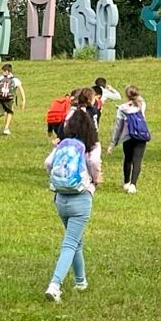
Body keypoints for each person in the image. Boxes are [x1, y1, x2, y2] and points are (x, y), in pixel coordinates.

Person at [43, 111, 102, 303]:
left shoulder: (63, 144)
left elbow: (48, 163)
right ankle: (55, 284)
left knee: (75, 240)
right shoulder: (91, 146)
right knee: (70, 243)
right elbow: (93, 162)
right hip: (80, 198)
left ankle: (81, 281)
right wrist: (95, 179)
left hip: (60, 198)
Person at [107, 85, 148, 193]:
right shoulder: (142, 104)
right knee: (137, 160)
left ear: (126, 95)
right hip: (140, 135)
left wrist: (112, 144)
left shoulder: (122, 108)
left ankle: (126, 182)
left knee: (128, 159)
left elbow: (118, 127)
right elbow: (138, 100)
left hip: (127, 136)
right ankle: (133, 185)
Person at [0, 63, 26, 140]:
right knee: (10, 112)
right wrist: (24, 100)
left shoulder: (1, 78)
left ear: (7, 71)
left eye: (3, 71)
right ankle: (6, 128)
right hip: (9, 99)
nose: (2, 72)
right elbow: (21, 89)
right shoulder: (15, 79)